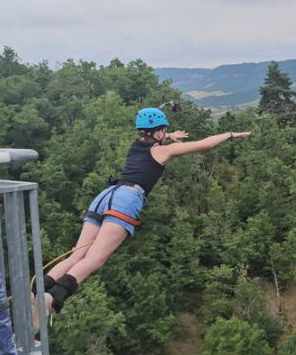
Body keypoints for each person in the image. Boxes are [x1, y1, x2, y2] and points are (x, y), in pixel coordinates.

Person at [32, 107, 250, 329]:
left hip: (106, 196)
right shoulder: (162, 151)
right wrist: (230, 134)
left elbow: (153, 141)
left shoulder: (136, 145)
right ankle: (52, 299)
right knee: (94, 259)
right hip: (127, 200)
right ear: (159, 132)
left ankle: (36, 293)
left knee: (77, 255)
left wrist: (170, 135)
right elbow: (205, 145)